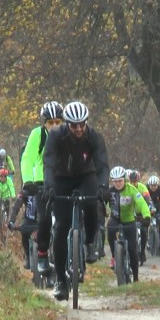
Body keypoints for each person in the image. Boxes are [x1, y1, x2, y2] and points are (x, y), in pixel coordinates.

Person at [42, 101, 109, 301]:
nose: (78, 129)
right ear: (67, 124)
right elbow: (48, 162)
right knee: (61, 227)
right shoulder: (55, 135)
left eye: (82, 124)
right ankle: (61, 281)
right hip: (62, 178)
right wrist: (49, 186)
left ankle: (89, 243)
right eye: (74, 125)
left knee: (90, 203)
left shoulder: (95, 137)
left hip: (86, 176)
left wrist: (103, 187)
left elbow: (102, 165)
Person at [23, 101, 64, 277]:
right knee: (45, 220)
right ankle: (42, 255)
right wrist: (28, 181)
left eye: (58, 122)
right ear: (44, 123)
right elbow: (27, 159)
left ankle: (78, 251)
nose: (54, 126)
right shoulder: (37, 135)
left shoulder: (69, 135)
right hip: (41, 184)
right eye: (50, 123)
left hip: (64, 182)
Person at [104, 166, 151, 282]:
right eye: (115, 181)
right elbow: (101, 204)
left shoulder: (131, 190)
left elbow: (141, 203)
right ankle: (114, 257)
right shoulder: (110, 192)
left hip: (129, 220)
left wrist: (147, 216)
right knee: (110, 230)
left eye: (120, 181)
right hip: (115, 218)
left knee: (132, 250)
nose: (118, 184)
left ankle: (135, 277)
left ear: (124, 179)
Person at [128, 169, 152, 265]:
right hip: (130, 213)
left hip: (140, 213)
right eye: (131, 181)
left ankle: (142, 252)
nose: (133, 183)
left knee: (143, 232)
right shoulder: (127, 187)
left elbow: (148, 200)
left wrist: (150, 208)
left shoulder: (142, 188)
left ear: (138, 180)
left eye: (135, 181)